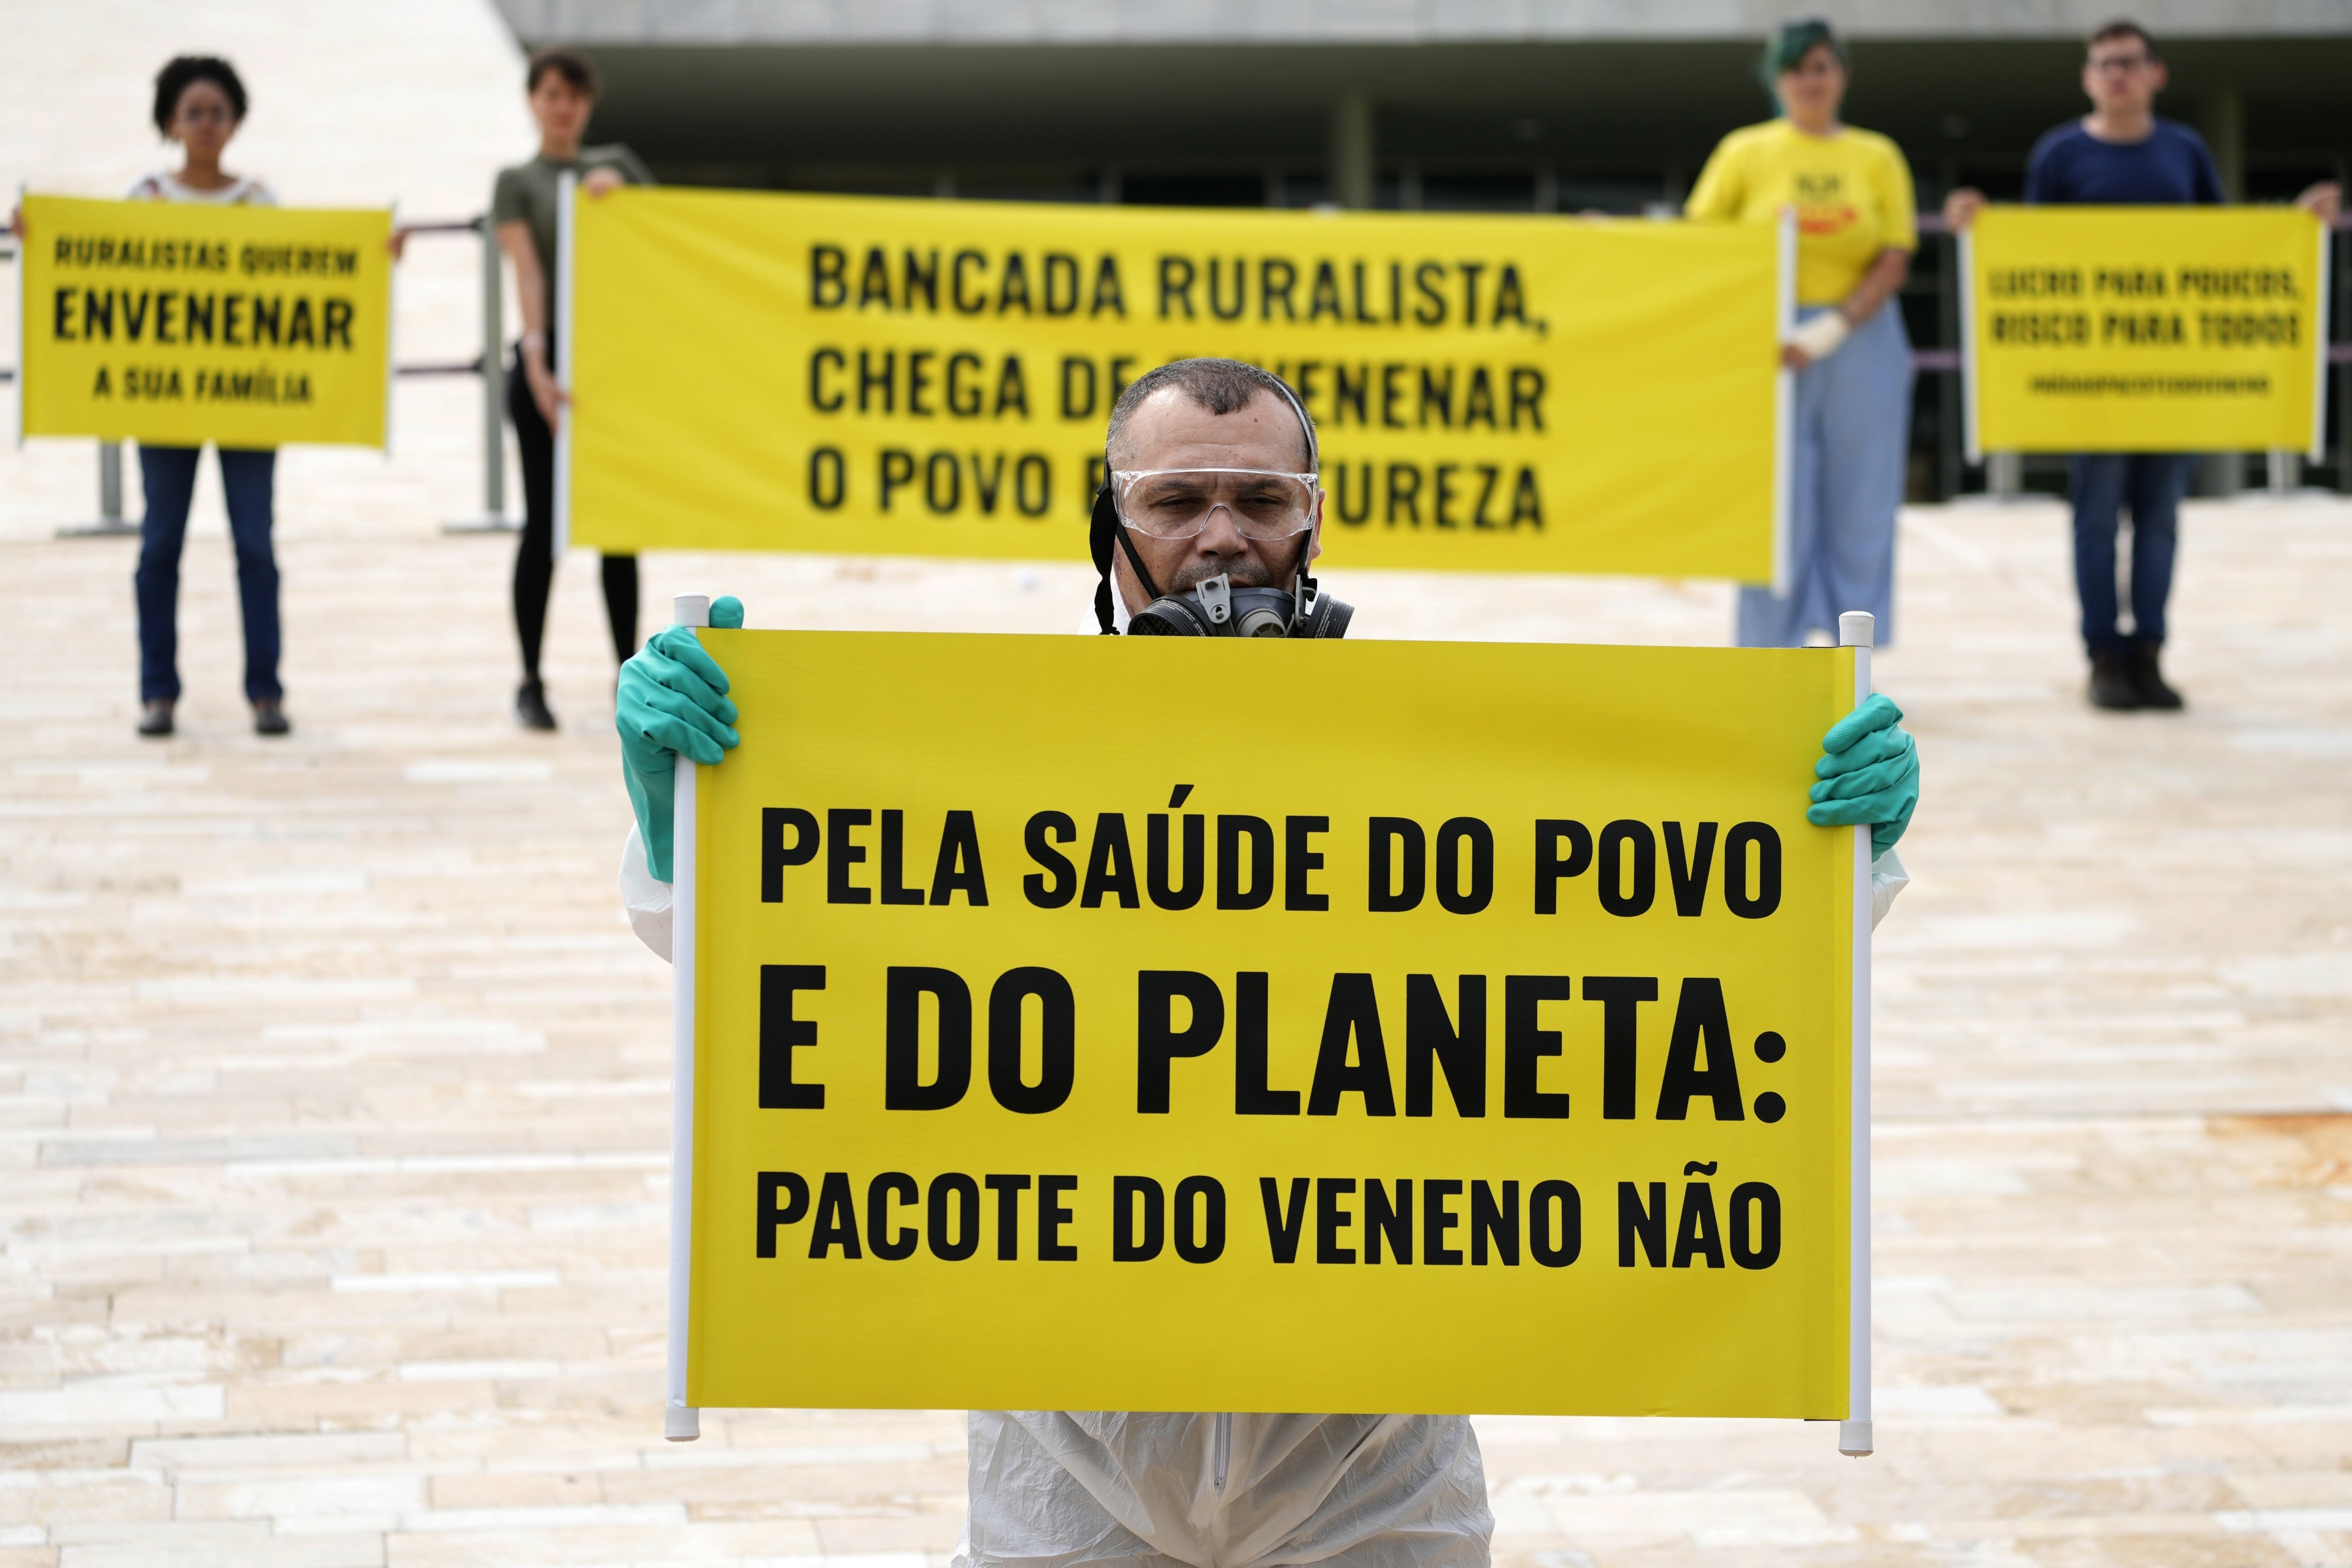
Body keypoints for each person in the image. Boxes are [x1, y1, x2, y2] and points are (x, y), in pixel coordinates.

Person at [602, 358, 1923, 1568]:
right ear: (1107, 524)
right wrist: (698, 822)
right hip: (1070, 1466)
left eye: (1260, 497)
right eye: (1175, 498)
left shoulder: (1441, 767)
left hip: (1368, 1468)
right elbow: (807, 968)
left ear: (1314, 521)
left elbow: (1663, 964)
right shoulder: (976, 760)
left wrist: (1826, 853)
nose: (1220, 535)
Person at [1943, 21, 2341, 712]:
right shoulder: (2060, 153)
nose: (2115, 75)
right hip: (2092, 383)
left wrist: (2295, 226)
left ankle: (2149, 652)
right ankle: (2103, 655)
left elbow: (2224, 250)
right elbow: (2030, 255)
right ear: (2086, 77)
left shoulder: (2183, 151)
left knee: (2157, 522)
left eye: (2128, 63)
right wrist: (1982, 222)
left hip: (2169, 384)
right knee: (2095, 521)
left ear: (2155, 73)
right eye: (2102, 64)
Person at [1686, 18, 1917, 651]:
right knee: (1773, 506)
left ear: (1840, 74)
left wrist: (1832, 327)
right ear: (1776, 80)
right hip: (1769, 345)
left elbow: (1894, 254)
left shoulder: (1876, 156)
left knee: (1861, 503)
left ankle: (1854, 657)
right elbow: (1699, 242)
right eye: (1795, 69)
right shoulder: (1745, 152)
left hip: (1859, 338)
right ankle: (1767, 652)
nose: (1808, 81)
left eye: (1820, 67)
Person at [490, 47, 653, 730]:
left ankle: (631, 678)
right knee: (544, 527)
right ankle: (530, 677)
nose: (564, 107)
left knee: (618, 529)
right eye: (553, 93)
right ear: (534, 99)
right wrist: (537, 359)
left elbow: (667, 240)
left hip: (613, 366)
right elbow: (526, 268)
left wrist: (622, 196)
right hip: (549, 361)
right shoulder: (518, 180)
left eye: (575, 96)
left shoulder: (617, 166)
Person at [127, 56, 288, 738]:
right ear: (170, 121)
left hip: (246, 397)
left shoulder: (258, 201)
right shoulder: (146, 198)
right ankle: (157, 691)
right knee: (160, 543)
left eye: (216, 112)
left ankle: (265, 691)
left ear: (235, 122)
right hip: (168, 400)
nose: (204, 124)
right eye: (192, 112)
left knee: (254, 543)